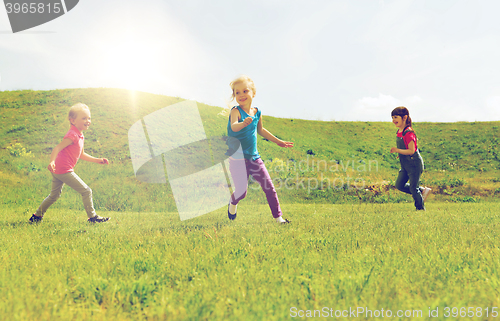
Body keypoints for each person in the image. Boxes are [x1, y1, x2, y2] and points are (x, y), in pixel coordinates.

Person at [226, 75, 293, 223]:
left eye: (245, 91)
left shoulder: (257, 112)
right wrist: (243, 123)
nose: (241, 95)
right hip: (237, 159)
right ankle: (232, 203)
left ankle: (279, 218)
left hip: (254, 158)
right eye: (237, 93)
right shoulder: (235, 111)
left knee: (269, 188)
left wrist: (278, 141)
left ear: (253, 93)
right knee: (242, 193)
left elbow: (261, 130)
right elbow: (234, 126)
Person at [29, 103, 110, 223]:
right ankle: (92, 217)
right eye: (84, 118)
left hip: (59, 170)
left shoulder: (80, 135)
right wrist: (51, 162)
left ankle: (36, 217)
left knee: (54, 196)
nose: (87, 121)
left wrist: (98, 160)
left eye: (89, 118)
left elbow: (81, 154)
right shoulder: (73, 135)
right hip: (63, 170)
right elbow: (57, 148)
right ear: (72, 120)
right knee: (86, 191)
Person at [390, 106, 431, 210]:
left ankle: (420, 209)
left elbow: (411, 150)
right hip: (405, 165)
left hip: (414, 164)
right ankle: (422, 191)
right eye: (392, 118)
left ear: (404, 117)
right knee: (399, 185)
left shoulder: (408, 132)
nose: (393, 120)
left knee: (413, 187)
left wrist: (397, 150)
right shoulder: (399, 131)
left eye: (396, 117)